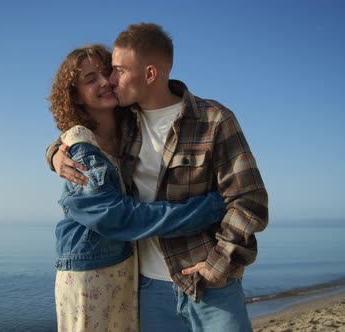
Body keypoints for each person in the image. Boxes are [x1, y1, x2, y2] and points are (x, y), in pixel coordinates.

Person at [48, 24, 269, 332]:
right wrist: (55, 152)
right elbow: (84, 140)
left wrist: (219, 265)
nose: (111, 80)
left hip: (207, 283)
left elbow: (249, 200)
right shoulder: (126, 124)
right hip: (147, 286)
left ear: (149, 74)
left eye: (117, 70)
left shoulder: (213, 120)